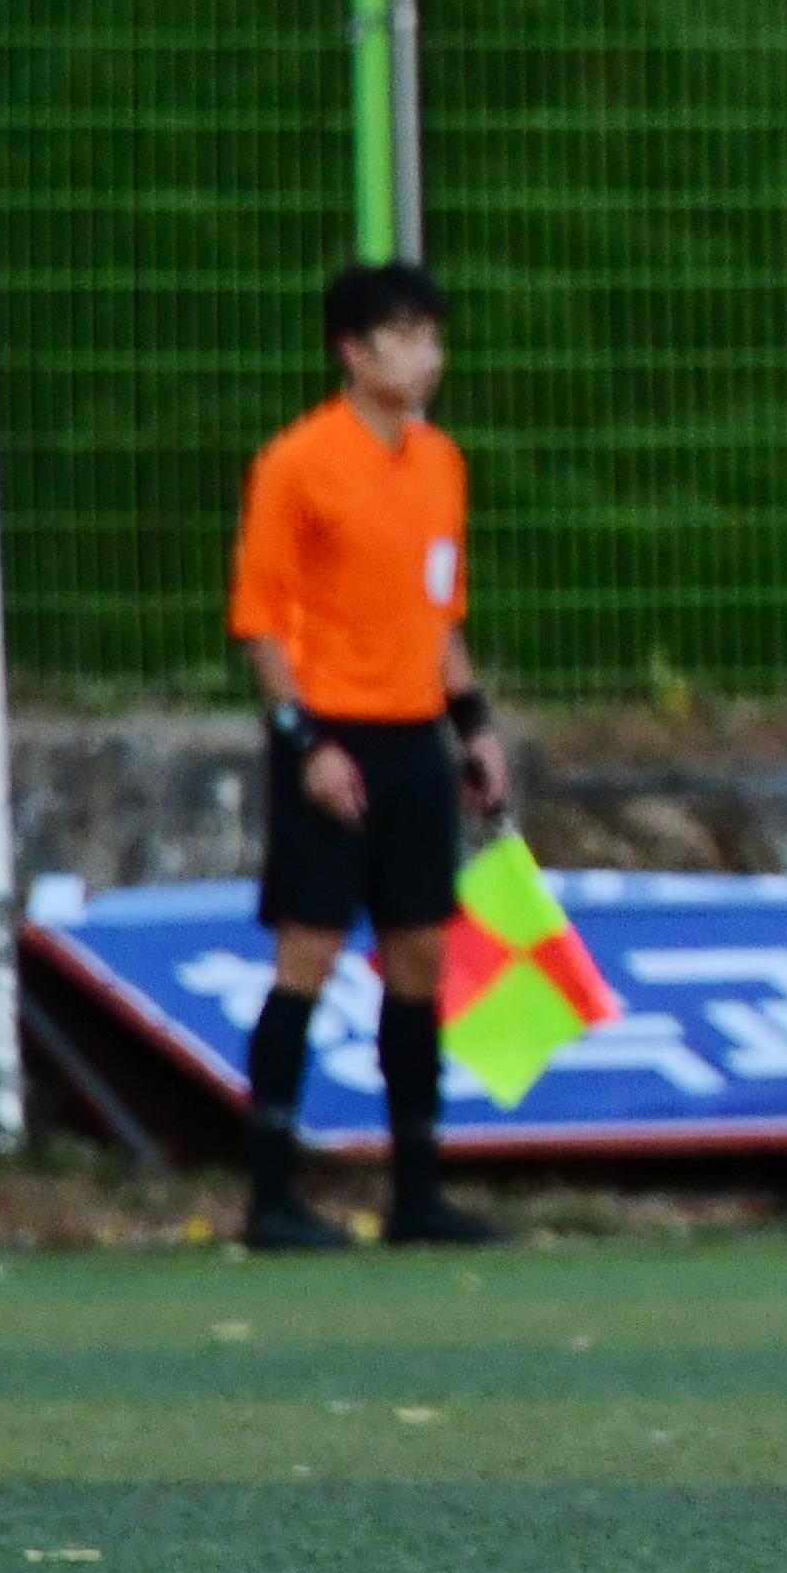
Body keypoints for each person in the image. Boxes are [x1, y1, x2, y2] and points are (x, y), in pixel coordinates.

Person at [226, 258, 510, 1252]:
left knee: (420, 951)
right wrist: (304, 739)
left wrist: (472, 727)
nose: (428, 355)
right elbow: (260, 619)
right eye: (406, 337)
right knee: (307, 947)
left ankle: (418, 1190)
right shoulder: (299, 462)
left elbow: (441, 613)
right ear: (356, 352)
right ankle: (269, 1193)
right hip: (332, 736)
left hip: (412, 739)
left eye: (433, 336)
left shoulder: (439, 464)